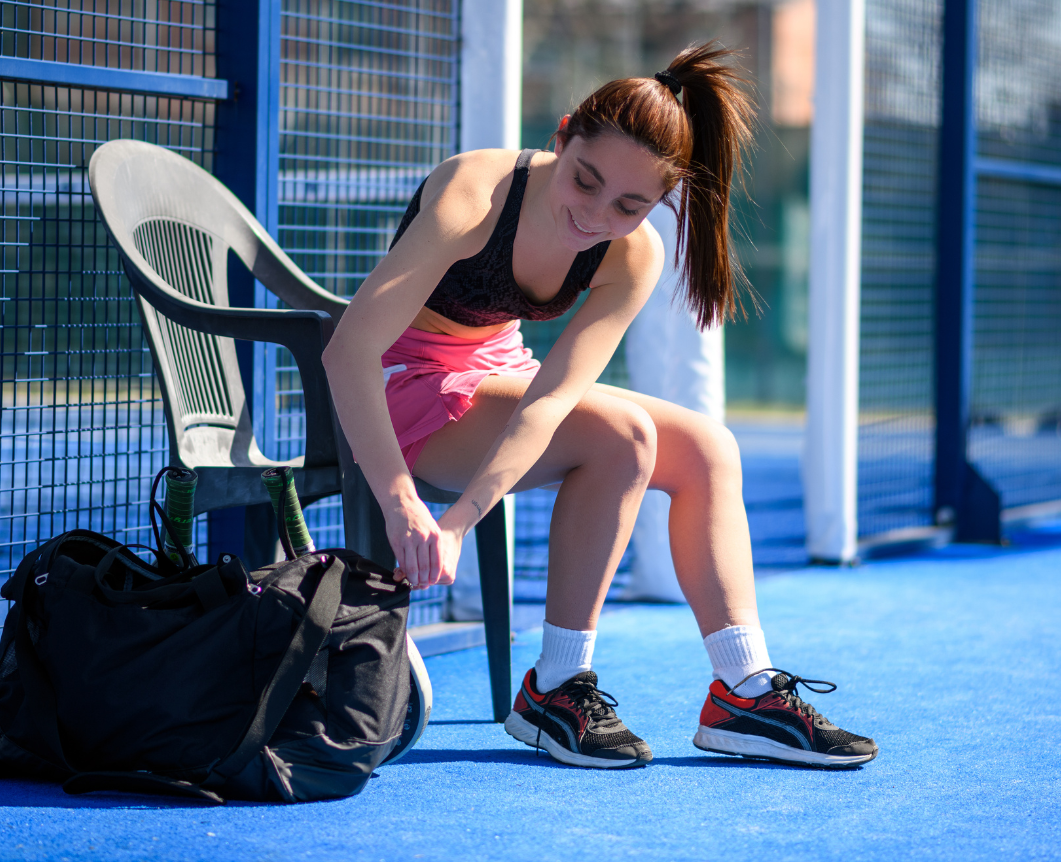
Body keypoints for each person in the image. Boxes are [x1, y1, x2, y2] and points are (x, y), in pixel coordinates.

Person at [321, 43, 877, 769]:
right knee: (621, 436)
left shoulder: (629, 255)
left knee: (708, 448)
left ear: (658, 202)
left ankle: (742, 689)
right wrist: (405, 508)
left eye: (628, 205)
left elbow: (550, 398)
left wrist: (458, 523)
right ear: (560, 135)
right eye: (585, 181)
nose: (594, 214)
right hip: (399, 382)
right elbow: (348, 351)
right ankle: (555, 686)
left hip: (494, 372)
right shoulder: (475, 191)